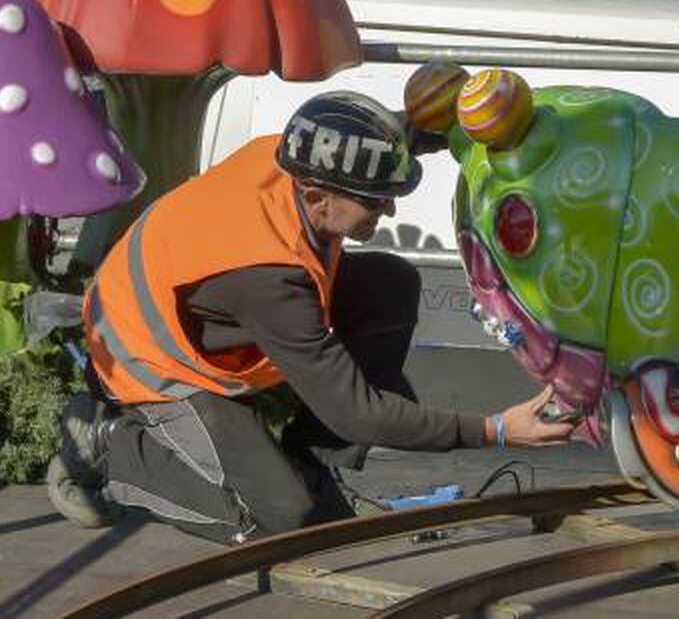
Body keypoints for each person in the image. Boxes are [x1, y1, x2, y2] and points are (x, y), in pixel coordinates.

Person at [48, 93, 575, 543]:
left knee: (391, 284)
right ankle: (109, 447)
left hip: (205, 317)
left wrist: (458, 116)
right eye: (377, 202)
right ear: (319, 199)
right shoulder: (268, 278)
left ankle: (316, 468)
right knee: (281, 520)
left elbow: (382, 139)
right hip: (147, 361)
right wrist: (496, 430)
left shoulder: (299, 157)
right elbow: (359, 414)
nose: (387, 212)